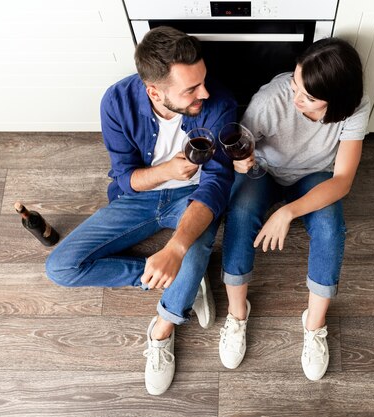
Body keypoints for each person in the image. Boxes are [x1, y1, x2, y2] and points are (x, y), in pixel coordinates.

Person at [45, 26, 237, 395]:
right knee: (61, 267)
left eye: (203, 81)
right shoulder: (116, 102)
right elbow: (125, 178)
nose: (205, 93)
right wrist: (166, 171)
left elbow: (216, 185)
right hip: (137, 199)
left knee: (193, 245)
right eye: (191, 90)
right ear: (154, 90)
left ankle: (162, 330)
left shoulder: (220, 104)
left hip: (193, 197)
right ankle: (184, 282)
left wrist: (177, 247)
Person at [218, 37, 370, 380]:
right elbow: (238, 147)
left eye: (308, 97)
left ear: (338, 100)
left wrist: (288, 212)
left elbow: (343, 180)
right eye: (295, 84)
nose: (295, 98)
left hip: (315, 174)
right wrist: (241, 163)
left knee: (331, 225)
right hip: (266, 170)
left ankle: (314, 325)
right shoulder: (272, 100)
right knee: (240, 216)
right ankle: (237, 313)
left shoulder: (356, 106)